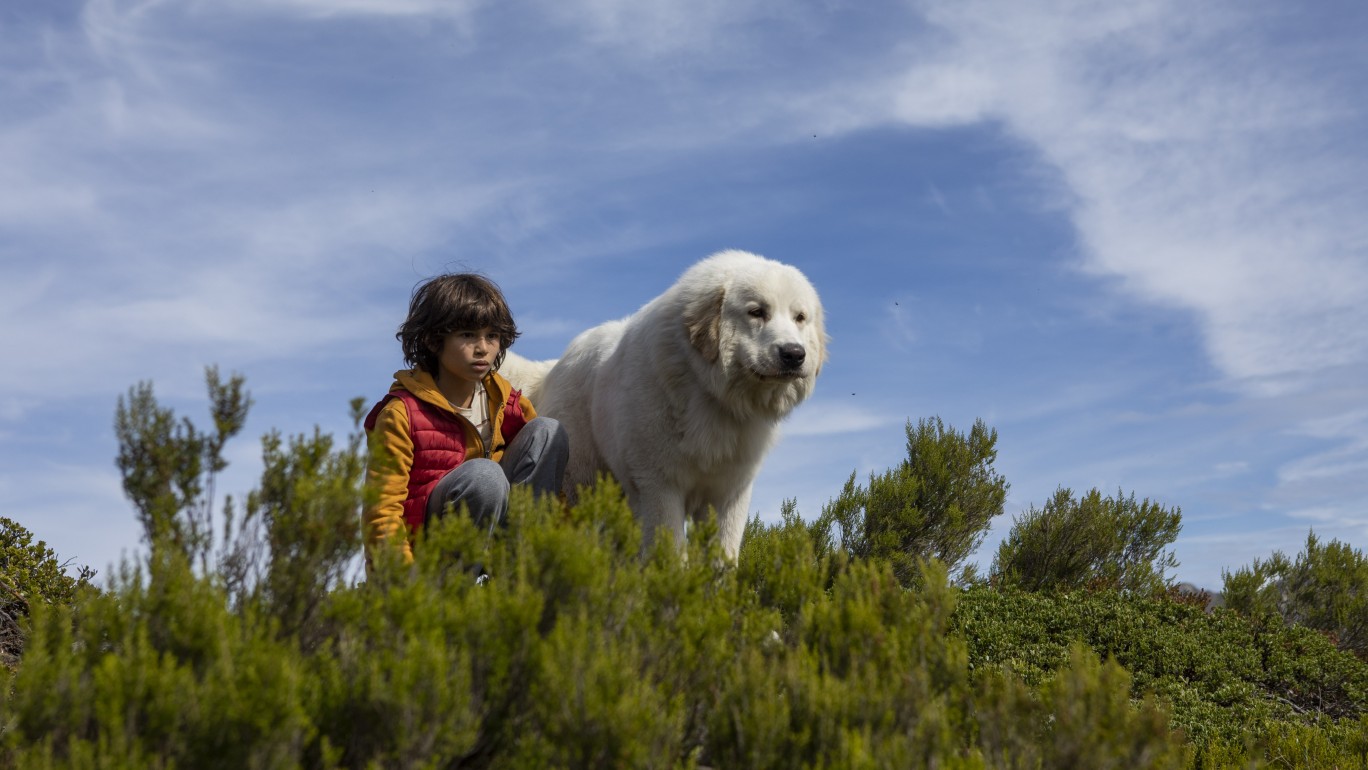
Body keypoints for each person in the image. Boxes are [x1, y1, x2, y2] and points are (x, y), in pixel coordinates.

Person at [362, 273, 568, 568]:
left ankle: (524, 571)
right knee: (485, 476)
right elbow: (382, 510)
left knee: (548, 431)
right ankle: (458, 585)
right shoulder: (401, 413)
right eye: (468, 335)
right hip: (431, 558)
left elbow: (550, 487)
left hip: (497, 538)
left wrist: (572, 555)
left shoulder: (504, 401)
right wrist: (402, 580)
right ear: (434, 340)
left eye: (492, 336)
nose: (483, 348)